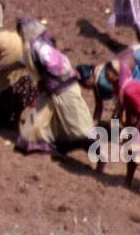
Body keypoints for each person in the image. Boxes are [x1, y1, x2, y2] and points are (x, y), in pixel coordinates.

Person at [15, 16, 97, 156]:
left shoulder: (39, 47)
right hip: (53, 91)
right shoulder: (35, 46)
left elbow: (59, 66)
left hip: (64, 90)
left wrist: (54, 79)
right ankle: (45, 145)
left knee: (81, 127)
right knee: (40, 121)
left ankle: (99, 154)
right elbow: (22, 62)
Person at [76, 43, 140, 122]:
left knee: (137, 101)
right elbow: (99, 107)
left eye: (82, 84)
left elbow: (123, 98)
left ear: (89, 78)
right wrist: (93, 126)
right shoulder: (97, 74)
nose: (84, 87)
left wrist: (114, 122)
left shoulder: (103, 80)